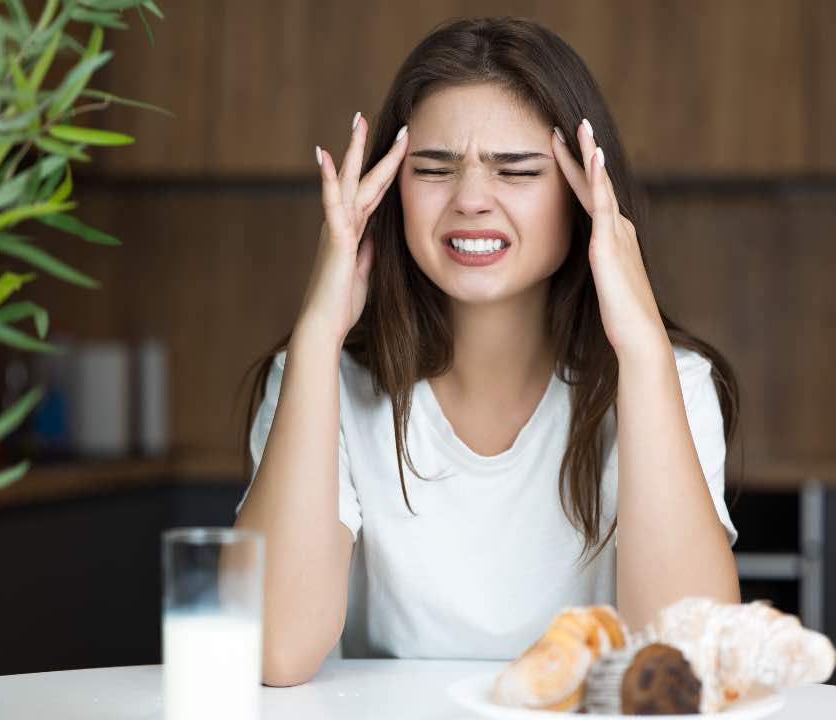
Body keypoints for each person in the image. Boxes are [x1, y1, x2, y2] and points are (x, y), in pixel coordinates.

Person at [233, 16, 741, 687]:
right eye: (435, 169)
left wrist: (641, 347)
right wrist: (319, 331)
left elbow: (689, 666)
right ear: (391, 195)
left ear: (586, 197)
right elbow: (273, 652)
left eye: (518, 170)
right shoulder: (320, 378)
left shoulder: (669, 380)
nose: (471, 199)